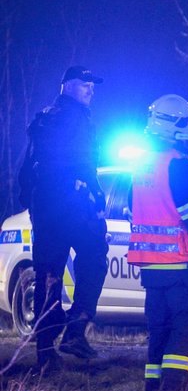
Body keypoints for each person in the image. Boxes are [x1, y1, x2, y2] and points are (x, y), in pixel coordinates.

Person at [129, 95, 188, 391]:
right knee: (187, 330)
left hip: (152, 270)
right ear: (171, 127)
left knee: (159, 331)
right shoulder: (180, 165)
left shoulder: (143, 165)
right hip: (183, 268)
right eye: (186, 122)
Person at [21, 66, 110, 370]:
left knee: (48, 276)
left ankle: (45, 355)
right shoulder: (78, 119)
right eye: (85, 84)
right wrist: (97, 200)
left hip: (45, 211)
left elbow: (26, 167)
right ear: (67, 86)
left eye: (91, 85)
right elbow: (85, 165)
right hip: (74, 206)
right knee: (96, 255)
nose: (90, 90)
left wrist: (32, 206)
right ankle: (77, 326)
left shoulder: (43, 118)